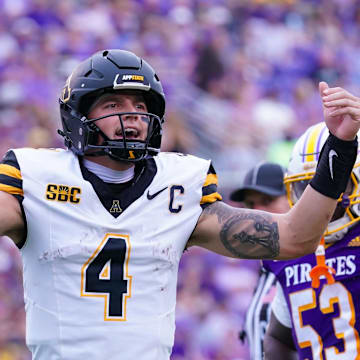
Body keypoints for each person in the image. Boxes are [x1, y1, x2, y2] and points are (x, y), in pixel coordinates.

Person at [0, 49, 359, 360]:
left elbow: (297, 237)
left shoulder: (179, 186)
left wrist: (340, 147)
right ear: (78, 115)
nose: (133, 117)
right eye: (113, 105)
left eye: (140, 106)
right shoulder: (36, 177)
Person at [263, 121, 360, 360]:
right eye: (305, 188)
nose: (320, 200)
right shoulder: (291, 252)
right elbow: (278, 337)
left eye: (335, 186)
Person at [230, 162, 289, 359]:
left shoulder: (310, 264)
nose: (256, 211)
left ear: (294, 198)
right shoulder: (266, 267)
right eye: (249, 204)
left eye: (267, 200)